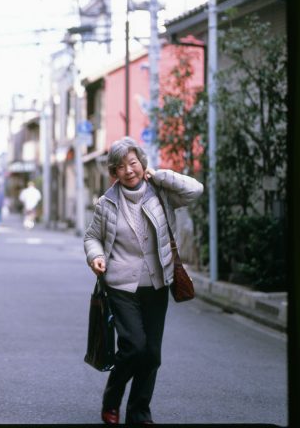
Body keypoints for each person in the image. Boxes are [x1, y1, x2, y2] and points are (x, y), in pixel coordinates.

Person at [84, 136, 203, 425]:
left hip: (157, 282)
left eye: (133, 163)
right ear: (114, 172)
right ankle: (112, 399)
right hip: (121, 284)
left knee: (151, 354)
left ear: (142, 164)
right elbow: (92, 238)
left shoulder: (161, 193)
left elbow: (195, 190)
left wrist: (160, 175)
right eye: (121, 166)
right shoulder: (107, 203)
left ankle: (139, 412)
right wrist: (95, 257)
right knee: (134, 346)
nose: (128, 170)